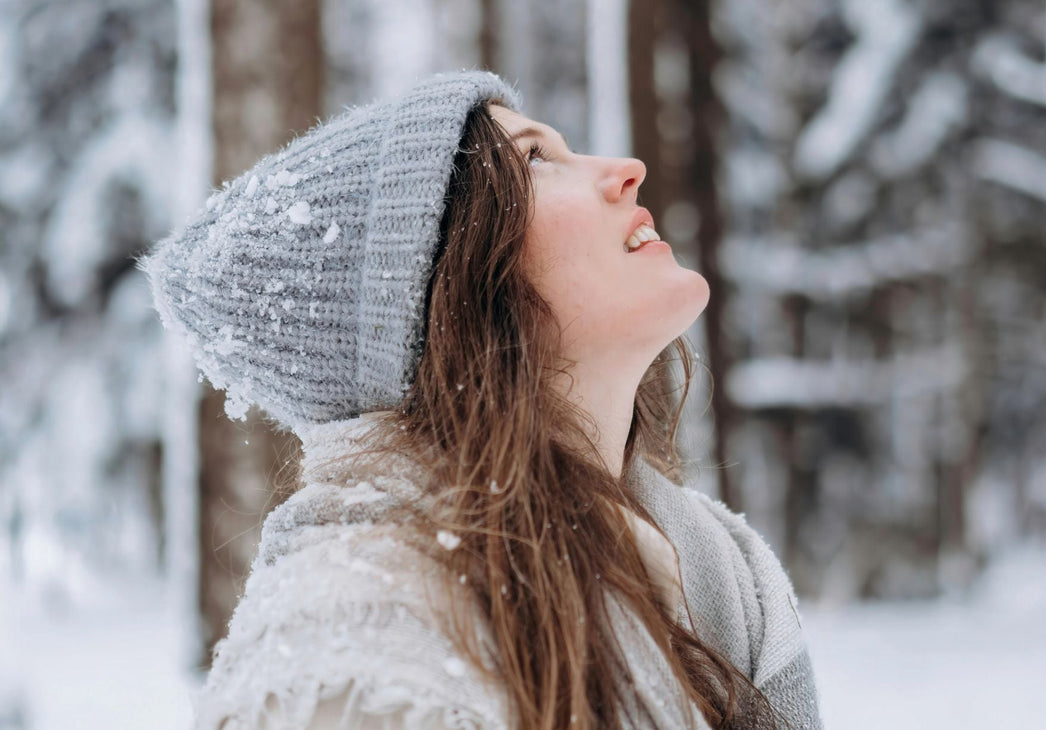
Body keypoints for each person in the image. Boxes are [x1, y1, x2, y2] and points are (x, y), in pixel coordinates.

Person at [142, 69, 824, 730]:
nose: (626, 168)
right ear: (445, 289)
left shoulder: (728, 584)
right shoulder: (355, 656)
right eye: (535, 158)